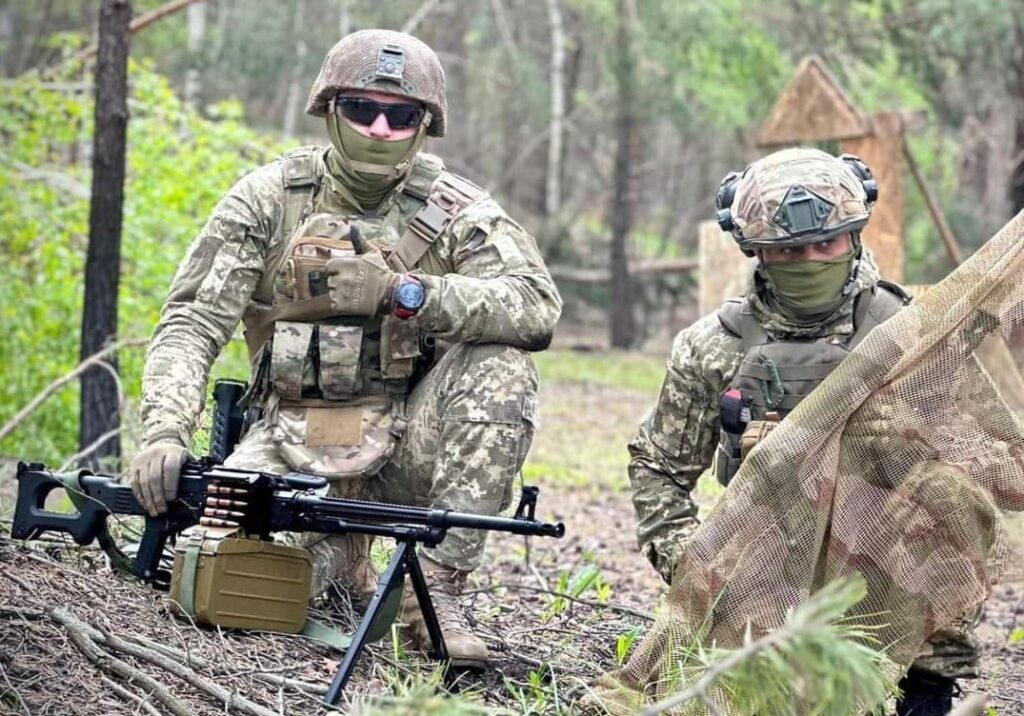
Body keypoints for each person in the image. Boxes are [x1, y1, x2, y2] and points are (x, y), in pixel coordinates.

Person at [128, 29, 561, 669]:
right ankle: (341, 554)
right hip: (291, 437)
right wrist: (165, 431)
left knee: (502, 365)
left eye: (402, 115)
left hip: (410, 441)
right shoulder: (269, 198)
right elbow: (193, 320)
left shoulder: (460, 211)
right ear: (331, 109)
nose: (381, 127)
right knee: (233, 575)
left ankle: (435, 589)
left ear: (424, 124)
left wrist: (406, 293)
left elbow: (536, 305)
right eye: (363, 109)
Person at [627, 147, 974, 715]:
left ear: (855, 236)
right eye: (788, 250)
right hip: (763, 561)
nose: (809, 260)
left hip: (889, 565)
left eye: (825, 244)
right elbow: (659, 466)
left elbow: (974, 468)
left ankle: (928, 680)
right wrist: (690, 565)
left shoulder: (915, 334)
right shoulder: (712, 346)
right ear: (755, 250)